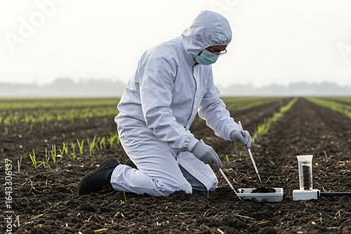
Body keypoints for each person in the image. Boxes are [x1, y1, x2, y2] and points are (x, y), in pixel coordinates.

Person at [78, 10, 251, 196]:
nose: (216, 56)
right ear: (200, 41)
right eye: (214, 50)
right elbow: (156, 114)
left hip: (175, 133)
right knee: (173, 188)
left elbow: (211, 104)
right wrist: (193, 145)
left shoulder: (202, 65)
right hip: (142, 131)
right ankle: (112, 173)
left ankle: (146, 167)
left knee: (207, 184)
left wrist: (232, 131)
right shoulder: (163, 58)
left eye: (221, 51)